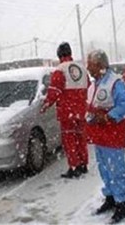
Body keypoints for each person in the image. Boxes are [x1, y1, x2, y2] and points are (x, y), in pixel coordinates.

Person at [85, 49, 125, 224]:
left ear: (100, 65)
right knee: (104, 168)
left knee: (116, 168)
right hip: (99, 136)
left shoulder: (115, 82)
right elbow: (91, 106)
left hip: (113, 134)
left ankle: (122, 204)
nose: (88, 68)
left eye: (90, 65)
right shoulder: (95, 83)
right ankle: (111, 197)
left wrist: (107, 116)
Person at [40, 42, 89, 178]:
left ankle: (74, 167)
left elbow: (54, 91)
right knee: (80, 138)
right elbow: (88, 87)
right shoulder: (81, 68)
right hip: (81, 111)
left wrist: (45, 105)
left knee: (69, 140)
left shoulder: (60, 70)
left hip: (67, 112)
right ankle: (84, 164)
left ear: (59, 55)